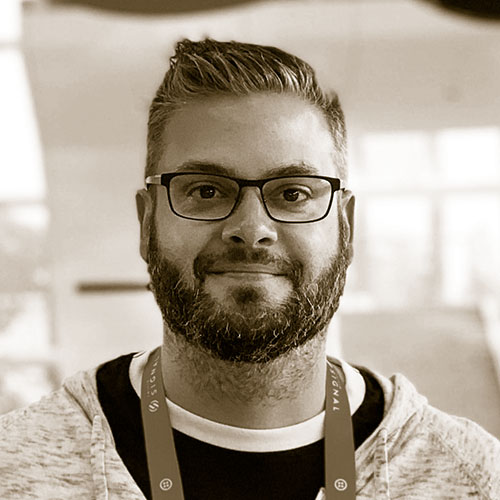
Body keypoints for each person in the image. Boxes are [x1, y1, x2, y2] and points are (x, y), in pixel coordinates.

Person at [0, 38, 499, 500]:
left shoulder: (472, 478)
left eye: (293, 193)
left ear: (345, 229)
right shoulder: (14, 471)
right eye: (205, 190)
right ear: (147, 222)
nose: (251, 228)